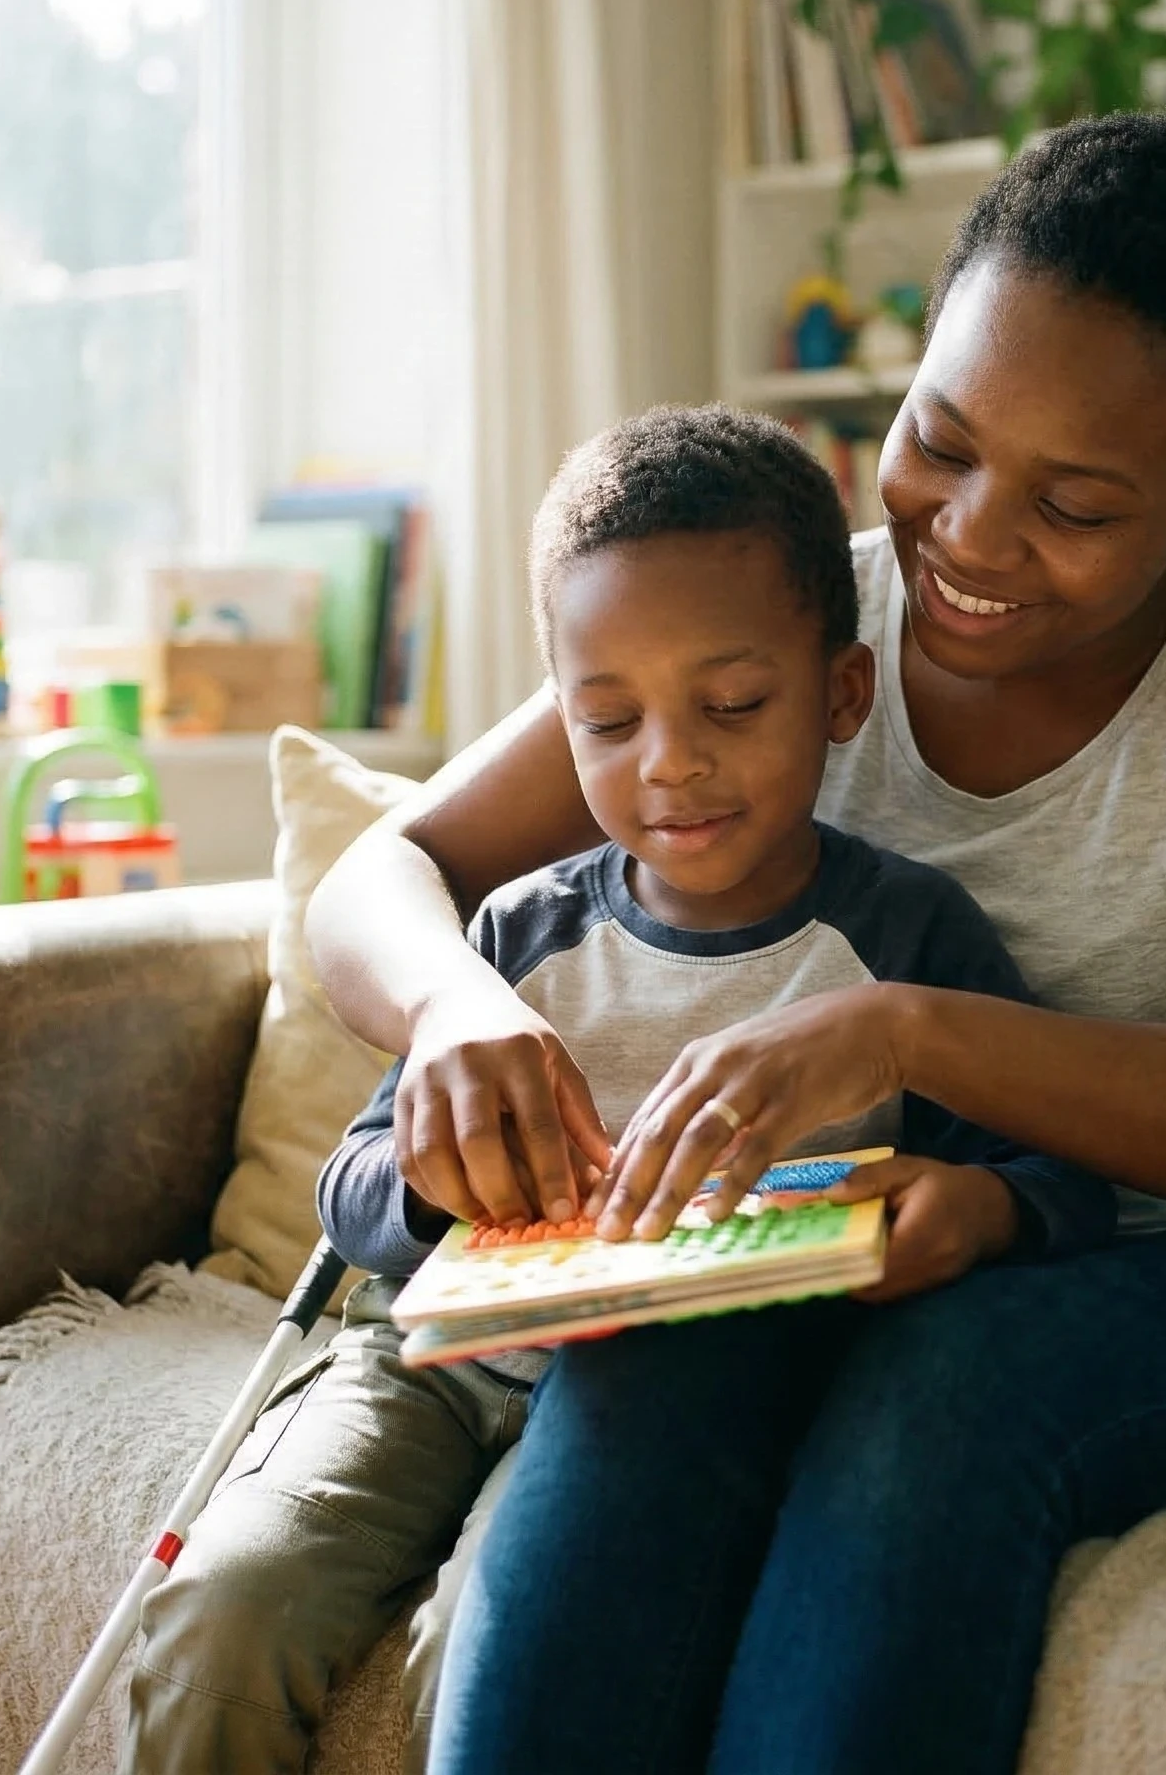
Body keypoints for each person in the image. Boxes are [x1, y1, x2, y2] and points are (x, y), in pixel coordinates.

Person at [307, 115, 1166, 1775]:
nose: (974, 540)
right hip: (842, 1254)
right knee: (646, 1370)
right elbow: (378, 875)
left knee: (947, 1389)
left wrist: (908, 1034)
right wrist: (447, 1009)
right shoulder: (785, 629)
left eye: (1074, 503)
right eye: (941, 439)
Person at [121, 408, 1112, 1774]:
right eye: (608, 719)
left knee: (500, 1639)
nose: (670, 763)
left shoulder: (905, 945)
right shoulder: (520, 934)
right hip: (426, 1372)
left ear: (840, 695)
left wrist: (976, 1213)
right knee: (221, 1609)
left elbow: (1054, 1176)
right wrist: (424, 1171)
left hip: (660, 1417)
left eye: (733, 706)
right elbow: (349, 1194)